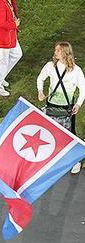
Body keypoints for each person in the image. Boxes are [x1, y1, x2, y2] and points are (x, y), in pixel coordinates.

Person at [37, 41, 84, 174]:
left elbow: (83, 89)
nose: (55, 52)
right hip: (51, 106)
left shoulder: (76, 70)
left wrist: (78, 104)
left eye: (58, 50)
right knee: (49, 132)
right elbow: (40, 78)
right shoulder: (50, 66)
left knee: (70, 135)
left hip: (68, 108)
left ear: (65, 52)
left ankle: (75, 162)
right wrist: (40, 91)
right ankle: (49, 158)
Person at [0, 0, 21, 97]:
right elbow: (1, 22)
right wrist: (14, 24)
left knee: (17, 54)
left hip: (10, 36)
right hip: (2, 39)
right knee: (2, 63)